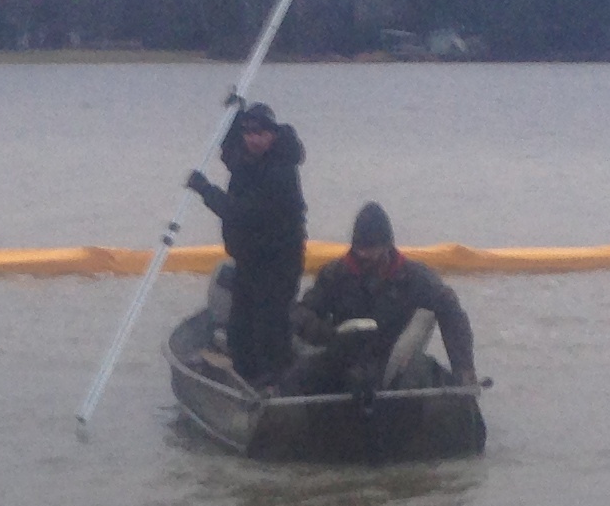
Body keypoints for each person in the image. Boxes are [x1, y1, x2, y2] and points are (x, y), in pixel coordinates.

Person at [282, 202, 477, 393]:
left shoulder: (414, 277)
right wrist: (325, 334)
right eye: (360, 252)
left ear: (387, 247)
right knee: (301, 372)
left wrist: (464, 369)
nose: (365, 259)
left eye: (372, 251)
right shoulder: (336, 274)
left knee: (423, 370)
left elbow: (451, 311)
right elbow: (302, 312)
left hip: (393, 366)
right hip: (343, 361)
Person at [187, 101, 305, 383]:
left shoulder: (280, 171)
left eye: (259, 133)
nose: (252, 139)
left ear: (272, 135)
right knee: (240, 330)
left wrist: (205, 189)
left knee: (269, 328)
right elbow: (230, 152)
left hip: (279, 263)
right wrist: (233, 115)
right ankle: (245, 379)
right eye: (248, 133)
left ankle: (276, 383)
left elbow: (241, 213)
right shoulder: (247, 159)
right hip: (250, 259)